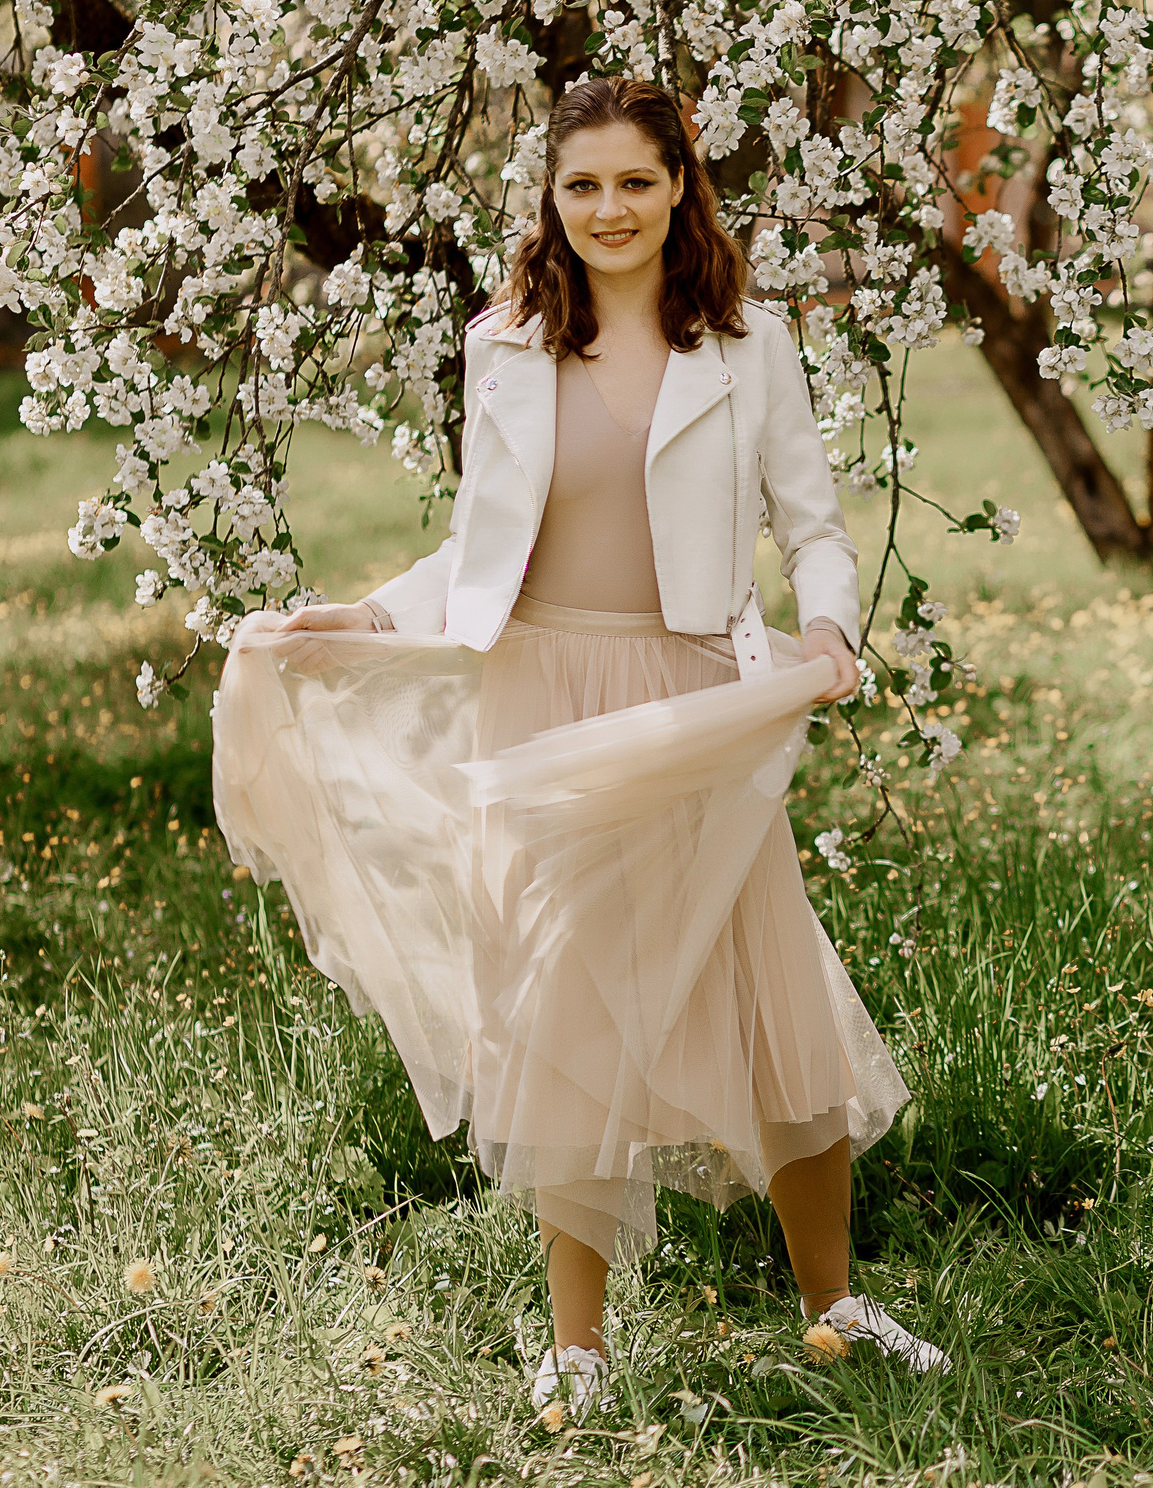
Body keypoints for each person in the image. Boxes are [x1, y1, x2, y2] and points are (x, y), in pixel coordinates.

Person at [213, 76, 947, 1419]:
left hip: (687, 698)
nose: (609, 209)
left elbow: (814, 520)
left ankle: (836, 1302)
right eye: (582, 186)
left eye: (636, 182)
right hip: (543, 688)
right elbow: (482, 548)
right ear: (550, 200)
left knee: (768, 995)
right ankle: (581, 1345)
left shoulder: (745, 344)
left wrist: (833, 631)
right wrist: (369, 612)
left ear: (682, 190)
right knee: (566, 1012)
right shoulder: (510, 343)